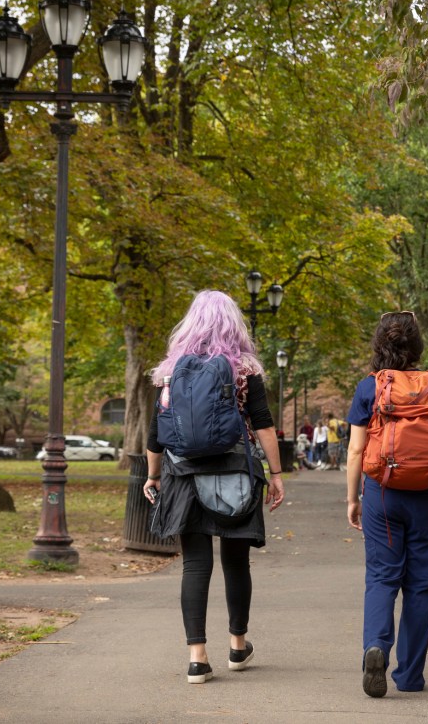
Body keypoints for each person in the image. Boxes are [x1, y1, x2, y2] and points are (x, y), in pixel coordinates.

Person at [143, 290, 286, 685]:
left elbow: (157, 433)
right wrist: (275, 474)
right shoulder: (244, 368)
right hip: (236, 474)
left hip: (184, 475)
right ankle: (238, 646)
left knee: (195, 564)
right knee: (236, 562)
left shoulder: (171, 370)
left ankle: (197, 658)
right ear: (232, 323)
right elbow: (263, 423)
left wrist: (153, 476)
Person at [345, 311, 428, 698]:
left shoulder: (370, 388)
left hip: (382, 494)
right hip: (427, 494)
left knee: (381, 576)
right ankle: (410, 676)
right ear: (417, 346)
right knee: (421, 585)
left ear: (380, 344)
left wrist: (352, 498)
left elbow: (357, 449)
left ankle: (375, 647)